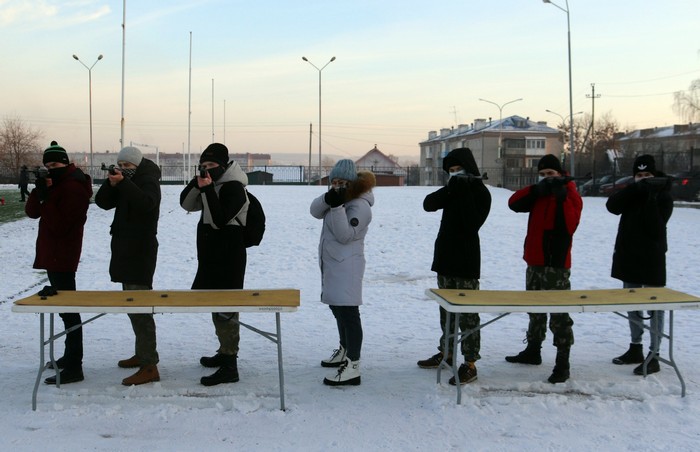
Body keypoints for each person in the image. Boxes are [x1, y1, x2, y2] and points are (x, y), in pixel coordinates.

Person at [505, 154, 583, 384]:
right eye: (543, 174)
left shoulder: (570, 194)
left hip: (556, 265)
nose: (547, 178)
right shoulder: (539, 192)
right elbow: (514, 203)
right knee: (534, 309)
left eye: (551, 174)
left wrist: (560, 199)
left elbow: (570, 226)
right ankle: (533, 349)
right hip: (534, 260)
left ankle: (563, 361)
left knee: (559, 313)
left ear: (560, 173)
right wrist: (536, 190)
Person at [418, 147, 491, 386]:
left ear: (469, 169)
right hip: (445, 262)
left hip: (467, 264)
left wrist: (464, 191)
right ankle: (447, 352)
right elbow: (428, 204)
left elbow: (471, 225)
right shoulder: (451, 189)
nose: (455, 173)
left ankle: (470, 362)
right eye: (451, 171)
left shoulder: (481, 193)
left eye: (458, 169)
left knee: (468, 315)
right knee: (446, 312)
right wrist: (451, 189)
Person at [180, 143, 248, 386]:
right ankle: (224, 351)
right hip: (210, 255)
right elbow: (186, 204)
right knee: (216, 305)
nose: (207, 169)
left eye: (210, 166)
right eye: (203, 166)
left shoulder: (235, 188)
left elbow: (220, 220)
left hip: (229, 257)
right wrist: (196, 183)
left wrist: (208, 191)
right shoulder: (213, 184)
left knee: (226, 307)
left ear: (223, 165)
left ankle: (230, 365)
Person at [25, 141, 92, 384]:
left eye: (54, 165)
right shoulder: (59, 184)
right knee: (66, 311)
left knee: (69, 311)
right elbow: (32, 213)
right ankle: (70, 357)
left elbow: (61, 225)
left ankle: (75, 365)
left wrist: (46, 199)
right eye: (47, 166)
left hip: (63, 254)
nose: (50, 169)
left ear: (65, 163)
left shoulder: (73, 187)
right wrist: (39, 191)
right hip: (53, 253)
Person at [95, 146, 161, 386]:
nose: (123, 170)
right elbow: (102, 203)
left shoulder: (148, 180)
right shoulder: (128, 181)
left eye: (127, 167)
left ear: (136, 166)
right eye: (120, 166)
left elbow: (146, 204)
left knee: (141, 307)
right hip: (126, 251)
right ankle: (142, 354)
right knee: (134, 307)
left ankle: (149, 365)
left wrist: (123, 183)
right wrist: (112, 184)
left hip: (140, 252)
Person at [310, 159, 376, 386]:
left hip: (348, 266)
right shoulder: (337, 198)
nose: (337, 186)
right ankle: (344, 348)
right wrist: (328, 199)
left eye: (342, 182)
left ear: (352, 183)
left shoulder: (359, 205)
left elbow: (345, 235)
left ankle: (353, 365)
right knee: (337, 308)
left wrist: (336, 206)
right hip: (333, 264)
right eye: (334, 182)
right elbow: (314, 211)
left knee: (349, 313)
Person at [607, 155, 673, 375]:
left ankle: (655, 354)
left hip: (652, 259)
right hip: (629, 256)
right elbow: (612, 206)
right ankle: (635, 347)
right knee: (632, 304)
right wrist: (634, 190)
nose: (643, 179)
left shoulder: (663, 196)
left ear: (655, 176)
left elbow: (655, 227)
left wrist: (651, 196)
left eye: (647, 176)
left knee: (655, 308)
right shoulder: (633, 193)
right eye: (639, 176)